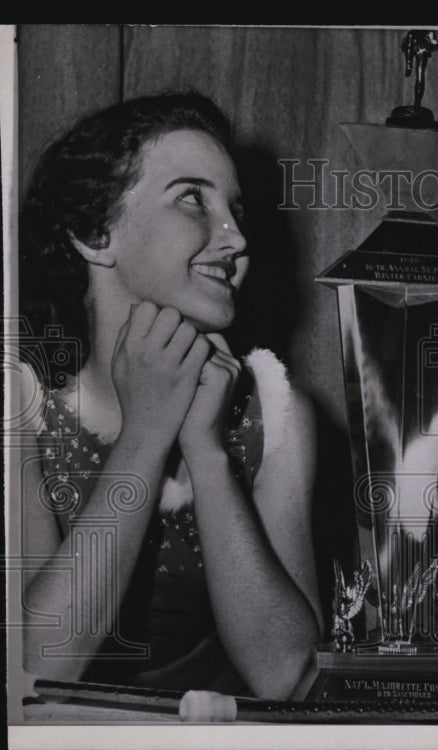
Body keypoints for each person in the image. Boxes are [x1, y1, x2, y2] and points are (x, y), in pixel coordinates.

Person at [16, 92, 322, 700]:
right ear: (93, 231)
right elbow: (37, 662)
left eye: (235, 209)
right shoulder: (20, 405)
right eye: (192, 199)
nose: (235, 238)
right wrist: (146, 436)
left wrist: (206, 452)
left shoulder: (276, 412)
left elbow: (290, 678)